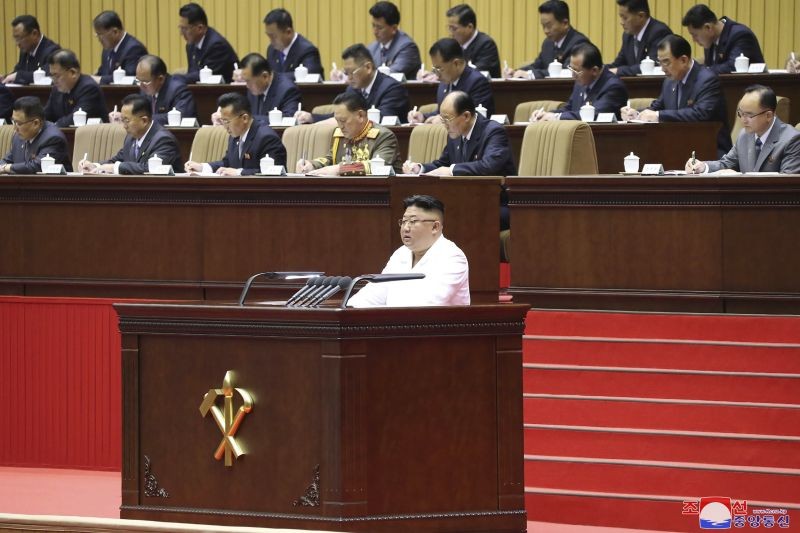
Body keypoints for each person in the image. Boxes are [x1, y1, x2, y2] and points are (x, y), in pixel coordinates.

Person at [346, 194, 470, 308]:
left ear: (435, 227)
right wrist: (350, 309)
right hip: (397, 326)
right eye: (404, 221)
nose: (405, 228)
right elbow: (373, 294)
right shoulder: (401, 254)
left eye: (413, 221)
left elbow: (427, 305)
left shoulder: (452, 257)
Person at [620, 35, 731, 157]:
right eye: (660, 62)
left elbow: (700, 114)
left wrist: (657, 115)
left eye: (666, 62)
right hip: (677, 147)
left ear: (683, 60)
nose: (662, 69)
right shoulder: (669, 81)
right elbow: (658, 106)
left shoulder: (707, 80)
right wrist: (636, 114)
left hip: (710, 150)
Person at [686, 85, 800, 175]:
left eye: (749, 115)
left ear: (769, 115)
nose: (743, 120)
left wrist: (739, 177)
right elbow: (727, 163)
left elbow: (788, 185)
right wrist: (702, 167)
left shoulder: (792, 140)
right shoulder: (745, 135)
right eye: (740, 113)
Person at [296, 92, 402, 176]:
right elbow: (330, 159)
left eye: (343, 120)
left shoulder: (384, 136)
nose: (340, 126)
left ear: (360, 116)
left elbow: (377, 167)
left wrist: (339, 169)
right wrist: (312, 165)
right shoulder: (341, 134)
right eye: (337, 120)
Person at [299, 44, 408, 123]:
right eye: (346, 73)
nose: (349, 78)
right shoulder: (353, 89)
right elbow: (340, 116)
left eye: (352, 73)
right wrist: (312, 118)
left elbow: (378, 120)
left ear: (368, 67)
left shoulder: (392, 89)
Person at [186, 92, 285, 176]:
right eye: (222, 121)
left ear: (244, 118)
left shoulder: (267, 138)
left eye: (227, 121)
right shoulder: (235, 135)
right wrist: (203, 167)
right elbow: (227, 162)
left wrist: (239, 172)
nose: (224, 126)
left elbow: (273, 173)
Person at [79, 94, 181, 175]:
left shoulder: (164, 140)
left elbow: (150, 168)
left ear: (144, 120)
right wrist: (95, 165)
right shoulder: (131, 137)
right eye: (122, 120)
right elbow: (118, 159)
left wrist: (116, 168)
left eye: (126, 120)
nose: (124, 126)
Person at [531, 43, 628, 121]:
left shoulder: (614, 87)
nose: (573, 75)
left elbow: (592, 115)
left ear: (594, 70)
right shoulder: (581, 81)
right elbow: (569, 108)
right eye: (571, 69)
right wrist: (548, 114)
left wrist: (557, 117)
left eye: (576, 71)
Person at [408, 38, 494, 124]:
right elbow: (440, 112)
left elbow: (477, 118)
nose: (437, 75)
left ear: (456, 63)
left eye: (439, 69)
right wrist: (423, 117)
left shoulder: (477, 82)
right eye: (434, 69)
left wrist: (445, 120)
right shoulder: (444, 82)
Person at [506, 0, 590, 80]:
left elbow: (565, 72)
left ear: (565, 23)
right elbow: (537, 65)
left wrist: (531, 74)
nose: (545, 31)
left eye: (549, 26)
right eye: (543, 26)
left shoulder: (579, 44)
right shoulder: (548, 43)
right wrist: (516, 72)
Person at [112, 55, 196, 126]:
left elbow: (180, 117)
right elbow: (139, 112)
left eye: (145, 81)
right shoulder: (145, 88)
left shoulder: (178, 90)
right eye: (138, 80)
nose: (141, 85)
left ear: (160, 79)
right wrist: (125, 117)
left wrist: (139, 119)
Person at [681, 4, 764, 75]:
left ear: (708, 28)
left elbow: (733, 66)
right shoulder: (710, 40)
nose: (694, 40)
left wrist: (699, 71)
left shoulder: (740, 35)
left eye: (695, 35)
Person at [0, 96, 71, 174]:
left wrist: (8, 167)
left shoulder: (53, 138)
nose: (15, 128)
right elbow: (7, 160)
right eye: (14, 122)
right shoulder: (18, 137)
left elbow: (38, 166)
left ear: (36, 123)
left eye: (19, 123)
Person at [43, 50, 108, 127]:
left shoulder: (89, 88)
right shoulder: (56, 89)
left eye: (57, 76)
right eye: (51, 76)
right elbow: (46, 115)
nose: (54, 80)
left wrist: (52, 127)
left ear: (73, 73)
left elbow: (74, 119)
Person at [608, 0, 672, 76]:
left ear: (640, 16)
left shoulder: (659, 32)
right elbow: (619, 63)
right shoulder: (628, 36)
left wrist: (618, 71)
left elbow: (653, 66)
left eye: (625, 18)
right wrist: (601, 70)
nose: (621, 22)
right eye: (621, 17)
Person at [178, 3, 239, 83]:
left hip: (225, 93)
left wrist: (177, 78)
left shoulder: (217, 45)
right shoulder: (190, 45)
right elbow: (192, 74)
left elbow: (204, 76)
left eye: (185, 29)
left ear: (199, 28)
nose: (181, 33)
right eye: (180, 28)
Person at [264, 8, 323, 80]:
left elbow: (310, 77)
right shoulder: (271, 50)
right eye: (268, 36)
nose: (270, 41)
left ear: (288, 32)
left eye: (273, 36)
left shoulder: (307, 51)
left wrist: (273, 78)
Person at [366, 1, 421, 79]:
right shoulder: (372, 48)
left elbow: (389, 75)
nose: (374, 31)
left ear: (394, 28)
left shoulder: (407, 47)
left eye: (379, 27)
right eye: (373, 26)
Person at [91, 11, 148, 85]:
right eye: (97, 35)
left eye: (100, 34)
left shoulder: (134, 49)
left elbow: (129, 78)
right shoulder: (107, 49)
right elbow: (102, 73)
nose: (98, 39)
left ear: (115, 32)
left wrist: (100, 79)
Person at [444, 4, 500, 78]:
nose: (450, 33)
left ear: (469, 27)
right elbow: (443, 65)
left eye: (454, 29)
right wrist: (436, 72)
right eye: (449, 28)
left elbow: (477, 72)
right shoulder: (453, 45)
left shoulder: (486, 44)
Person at [2, 15, 61, 85]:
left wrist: (18, 76)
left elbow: (47, 74)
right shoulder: (25, 50)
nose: (17, 43)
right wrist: (5, 77)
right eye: (15, 39)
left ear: (34, 34)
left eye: (19, 38)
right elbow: (17, 72)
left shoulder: (52, 51)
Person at [240, 53, 301, 120]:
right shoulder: (253, 89)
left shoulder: (288, 89)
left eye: (248, 81)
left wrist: (250, 119)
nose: (247, 86)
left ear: (265, 76)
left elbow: (289, 118)